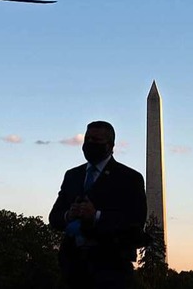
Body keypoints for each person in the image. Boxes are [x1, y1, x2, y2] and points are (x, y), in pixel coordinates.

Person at [49, 121, 147, 289]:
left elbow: (135, 222)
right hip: (72, 270)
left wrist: (96, 216)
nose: (90, 144)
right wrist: (69, 215)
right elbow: (54, 217)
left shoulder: (130, 178)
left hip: (111, 271)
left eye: (96, 140)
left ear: (110, 145)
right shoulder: (72, 175)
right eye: (87, 139)